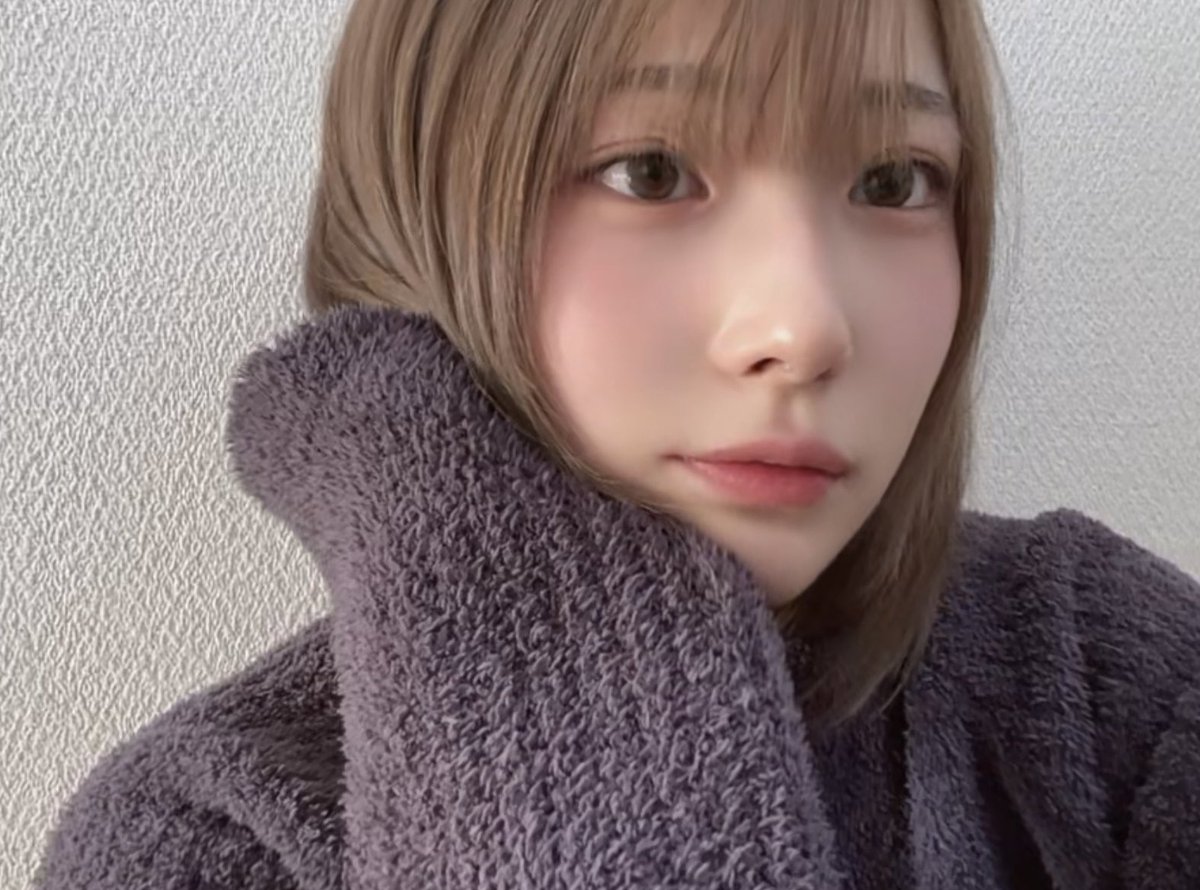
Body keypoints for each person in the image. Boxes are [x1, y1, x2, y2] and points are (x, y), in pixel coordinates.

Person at [33, 0, 1200, 888]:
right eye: (651, 172)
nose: (803, 326)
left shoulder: (1101, 670)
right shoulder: (204, 834)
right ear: (419, 214)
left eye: (894, 180)